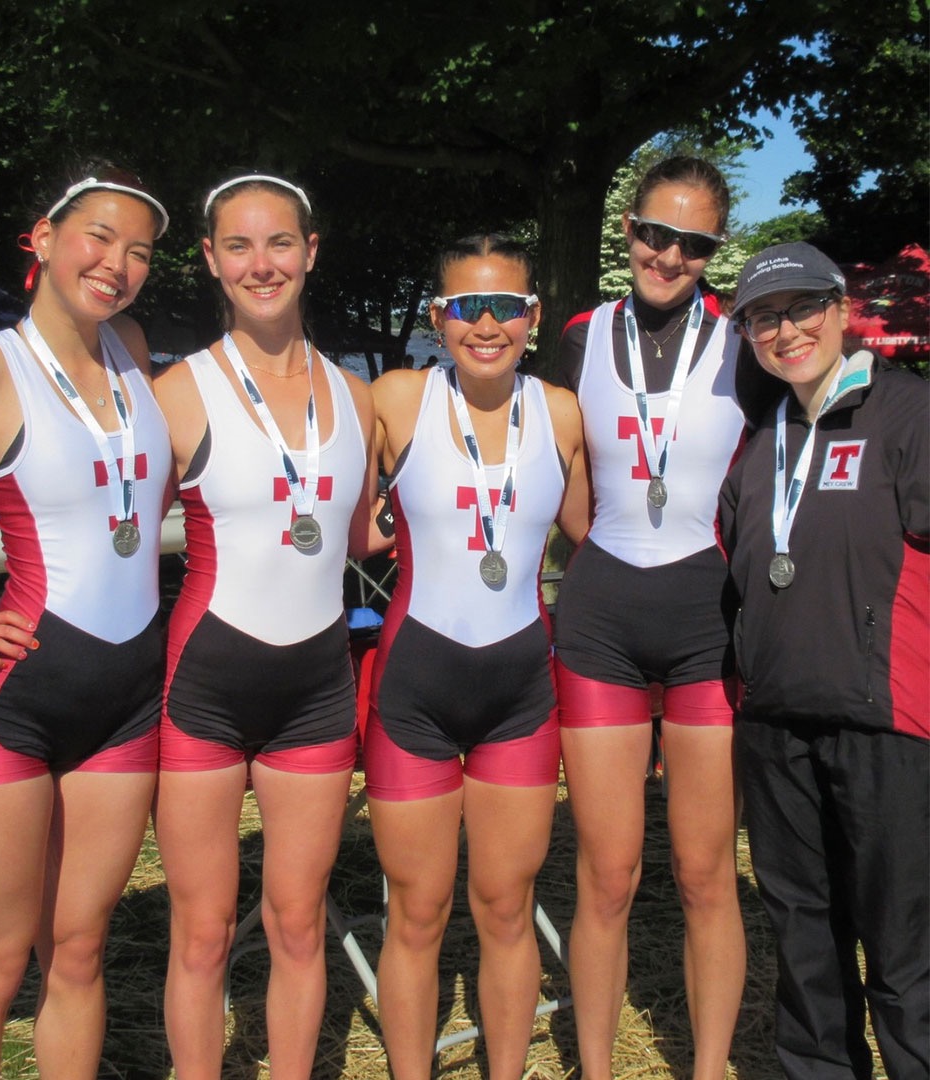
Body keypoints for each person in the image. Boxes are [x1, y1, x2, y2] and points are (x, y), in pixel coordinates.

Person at [149, 174, 380, 1079]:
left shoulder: (357, 397)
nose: (261, 264)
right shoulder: (177, 391)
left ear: (310, 249)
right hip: (204, 683)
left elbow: (363, 534)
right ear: (210, 260)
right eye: (238, 246)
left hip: (316, 692)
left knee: (296, 921)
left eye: (278, 242)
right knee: (203, 933)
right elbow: (100, 539)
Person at [548, 155, 768, 1080]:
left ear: (711, 253)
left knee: (706, 875)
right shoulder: (578, 335)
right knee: (605, 878)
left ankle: (707, 1069)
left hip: (704, 621)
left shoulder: (746, 343)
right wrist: (592, 548)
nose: (667, 255)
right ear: (628, 229)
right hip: (601, 612)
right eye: (653, 232)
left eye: (692, 242)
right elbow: (562, 473)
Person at [365, 235, 590, 1080]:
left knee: (505, 908)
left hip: (519, 695)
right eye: (466, 306)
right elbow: (331, 526)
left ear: (532, 318)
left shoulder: (561, 411)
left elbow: (600, 545)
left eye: (506, 307)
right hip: (415, 692)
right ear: (437, 317)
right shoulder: (393, 399)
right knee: (416, 915)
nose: (486, 324)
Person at [0, 166, 172, 1080]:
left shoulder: (131, 345)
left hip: (128, 702)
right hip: (20, 697)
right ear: (41, 239)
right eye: (97, 236)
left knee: (80, 951)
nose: (116, 262)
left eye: (138, 251)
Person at [719, 241, 928, 1080]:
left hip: (887, 722)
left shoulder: (908, 412)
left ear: (841, 311)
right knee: (803, 944)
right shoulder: (758, 437)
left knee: (905, 952)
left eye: (804, 308)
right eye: (765, 317)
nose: (787, 329)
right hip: (774, 723)